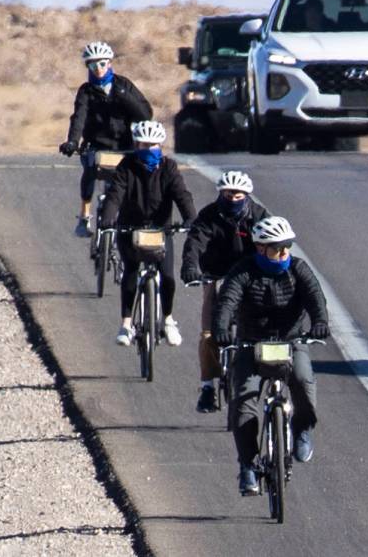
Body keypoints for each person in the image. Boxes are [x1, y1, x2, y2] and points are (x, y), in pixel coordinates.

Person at [212, 216, 330, 495]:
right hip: (251, 344)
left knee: (302, 380)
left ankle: (301, 429)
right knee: (243, 402)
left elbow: (315, 298)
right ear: (260, 248)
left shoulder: (299, 269)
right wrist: (221, 329)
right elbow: (227, 301)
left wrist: (320, 323)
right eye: (277, 248)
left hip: (291, 340)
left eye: (287, 247)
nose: (283, 253)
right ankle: (248, 466)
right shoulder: (242, 272)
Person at [100, 120, 197, 347]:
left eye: (153, 145)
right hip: (130, 228)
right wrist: (108, 218)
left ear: (160, 146)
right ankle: (125, 324)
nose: (148, 149)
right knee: (131, 273)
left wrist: (191, 218)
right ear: (137, 145)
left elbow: (182, 194)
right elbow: (116, 194)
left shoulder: (169, 168)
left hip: (160, 229)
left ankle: (168, 319)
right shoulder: (126, 166)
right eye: (144, 145)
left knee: (168, 276)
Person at [180, 171, 269, 413]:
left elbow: (272, 242)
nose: (232, 199)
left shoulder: (259, 216)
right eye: (228, 194)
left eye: (237, 195)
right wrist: (190, 266)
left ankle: (264, 380)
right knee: (209, 334)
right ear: (221, 193)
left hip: (250, 279)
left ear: (246, 195)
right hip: (216, 276)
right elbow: (195, 241)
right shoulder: (210, 215)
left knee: (261, 331)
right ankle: (208, 387)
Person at [59, 42, 153, 238]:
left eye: (102, 64)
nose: (98, 69)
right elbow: (79, 117)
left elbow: (146, 114)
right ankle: (84, 217)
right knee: (90, 170)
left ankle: (138, 217)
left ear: (109, 63)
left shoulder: (123, 85)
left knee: (135, 179)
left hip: (124, 145)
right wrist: (72, 142)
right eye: (93, 66)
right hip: (96, 144)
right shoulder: (86, 91)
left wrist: (123, 96)